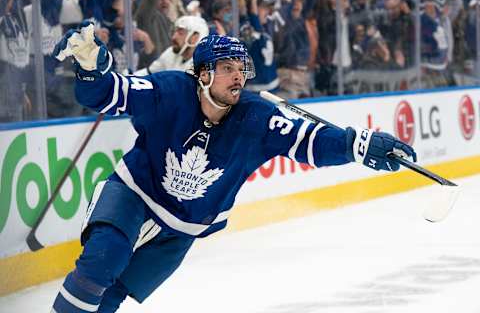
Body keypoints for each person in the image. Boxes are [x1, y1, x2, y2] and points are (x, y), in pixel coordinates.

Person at [50, 21, 417, 313]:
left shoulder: (256, 116)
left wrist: (358, 144)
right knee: (102, 261)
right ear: (203, 73)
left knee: (114, 294)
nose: (238, 77)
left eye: (241, 69)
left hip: (182, 227)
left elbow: (310, 141)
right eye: (227, 68)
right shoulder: (170, 90)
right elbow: (107, 94)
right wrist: (90, 70)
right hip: (134, 195)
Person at [134, 15, 209, 75]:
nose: (174, 37)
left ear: (194, 38)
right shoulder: (170, 53)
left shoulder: (203, 66)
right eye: (175, 32)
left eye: (180, 33)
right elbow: (148, 73)